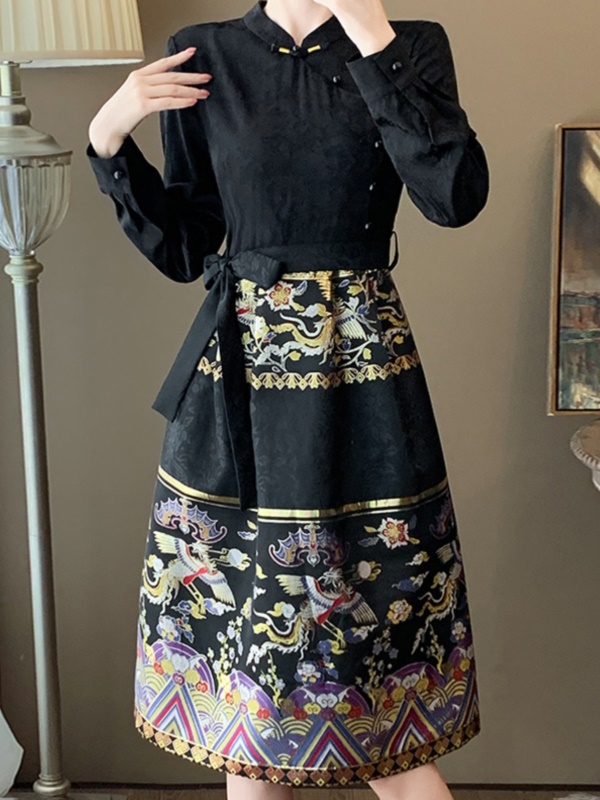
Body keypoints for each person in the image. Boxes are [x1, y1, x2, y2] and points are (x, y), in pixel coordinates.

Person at [86, 0, 489, 797]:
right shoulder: (204, 53)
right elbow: (186, 244)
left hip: (364, 390)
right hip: (237, 394)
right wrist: (109, 137)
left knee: (374, 651)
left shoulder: (408, 45)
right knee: (251, 700)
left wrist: (371, 36)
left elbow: (454, 197)